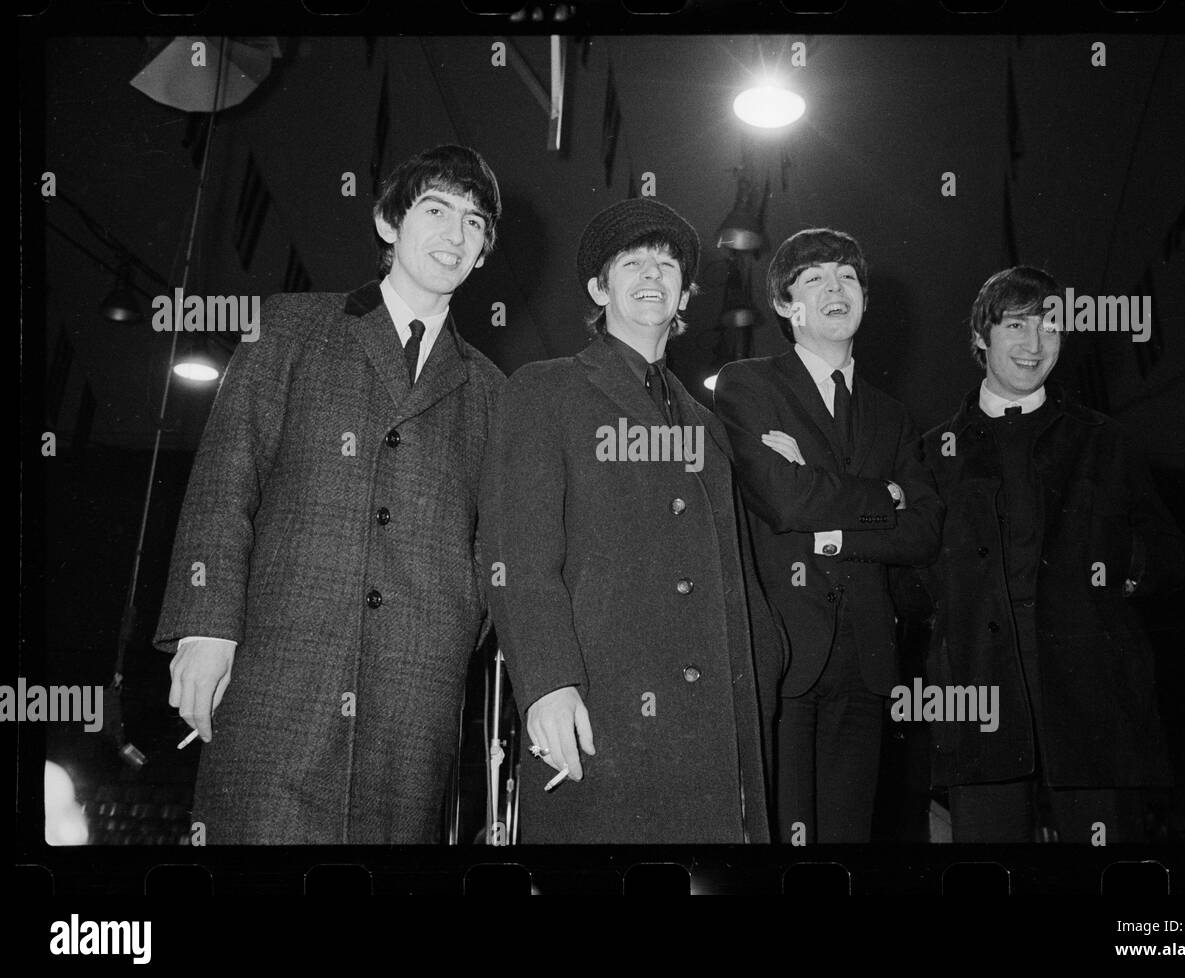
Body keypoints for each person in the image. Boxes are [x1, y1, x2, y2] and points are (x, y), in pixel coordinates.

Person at [153, 145, 505, 844]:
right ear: (388, 222)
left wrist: (458, 628)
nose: (454, 234)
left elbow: (498, 546)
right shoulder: (291, 327)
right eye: (435, 210)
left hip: (415, 699)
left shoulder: (494, 390)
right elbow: (226, 480)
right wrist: (205, 626)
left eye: (473, 223)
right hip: (278, 675)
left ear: (483, 252)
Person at [480, 197, 786, 844]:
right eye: (632, 263)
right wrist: (547, 685)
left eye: (668, 265)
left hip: (707, 733)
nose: (652, 275)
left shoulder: (706, 424)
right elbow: (518, 557)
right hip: (599, 709)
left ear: (684, 295)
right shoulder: (543, 391)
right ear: (599, 287)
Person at [897, 266, 1185, 843]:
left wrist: (1127, 568)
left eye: (1050, 327)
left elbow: (1171, 555)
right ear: (981, 338)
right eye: (1017, 325)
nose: (1035, 345)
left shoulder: (1103, 440)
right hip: (979, 710)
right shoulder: (930, 453)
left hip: (1094, 707)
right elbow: (912, 583)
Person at [713, 228, 943, 844]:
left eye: (847, 277)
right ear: (787, 307)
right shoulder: (747, 383)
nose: (835, 289)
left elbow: (921, 531)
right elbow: (784, 500)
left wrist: (833, 529)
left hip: (868, 664)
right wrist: (880, 500)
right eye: (814, 279)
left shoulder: (893, 414)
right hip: (784, 652)